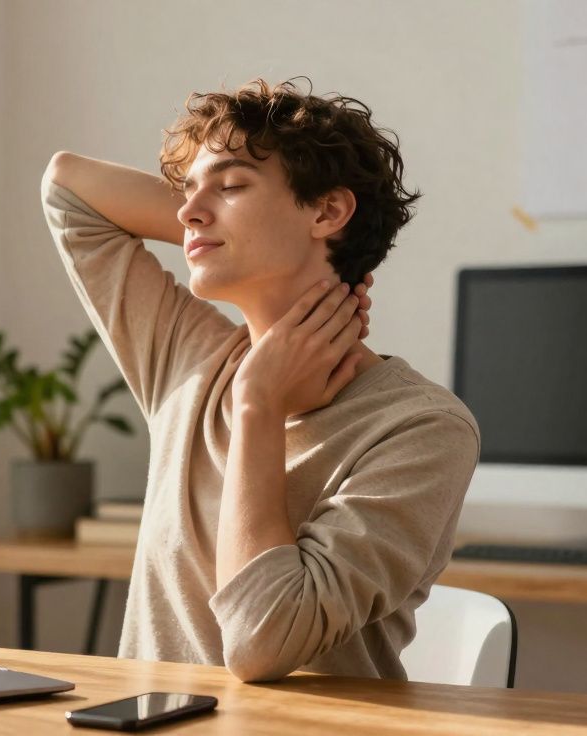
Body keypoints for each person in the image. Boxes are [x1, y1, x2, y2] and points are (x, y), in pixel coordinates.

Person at [39, 77, 480, 683]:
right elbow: (68, 186)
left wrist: (258, 404)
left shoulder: (422, 428)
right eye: (188, 192)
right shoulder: (189, 359)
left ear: (327, 210)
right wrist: (216, 227)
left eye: (232, 185)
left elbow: (260, 642)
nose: (188, 211)